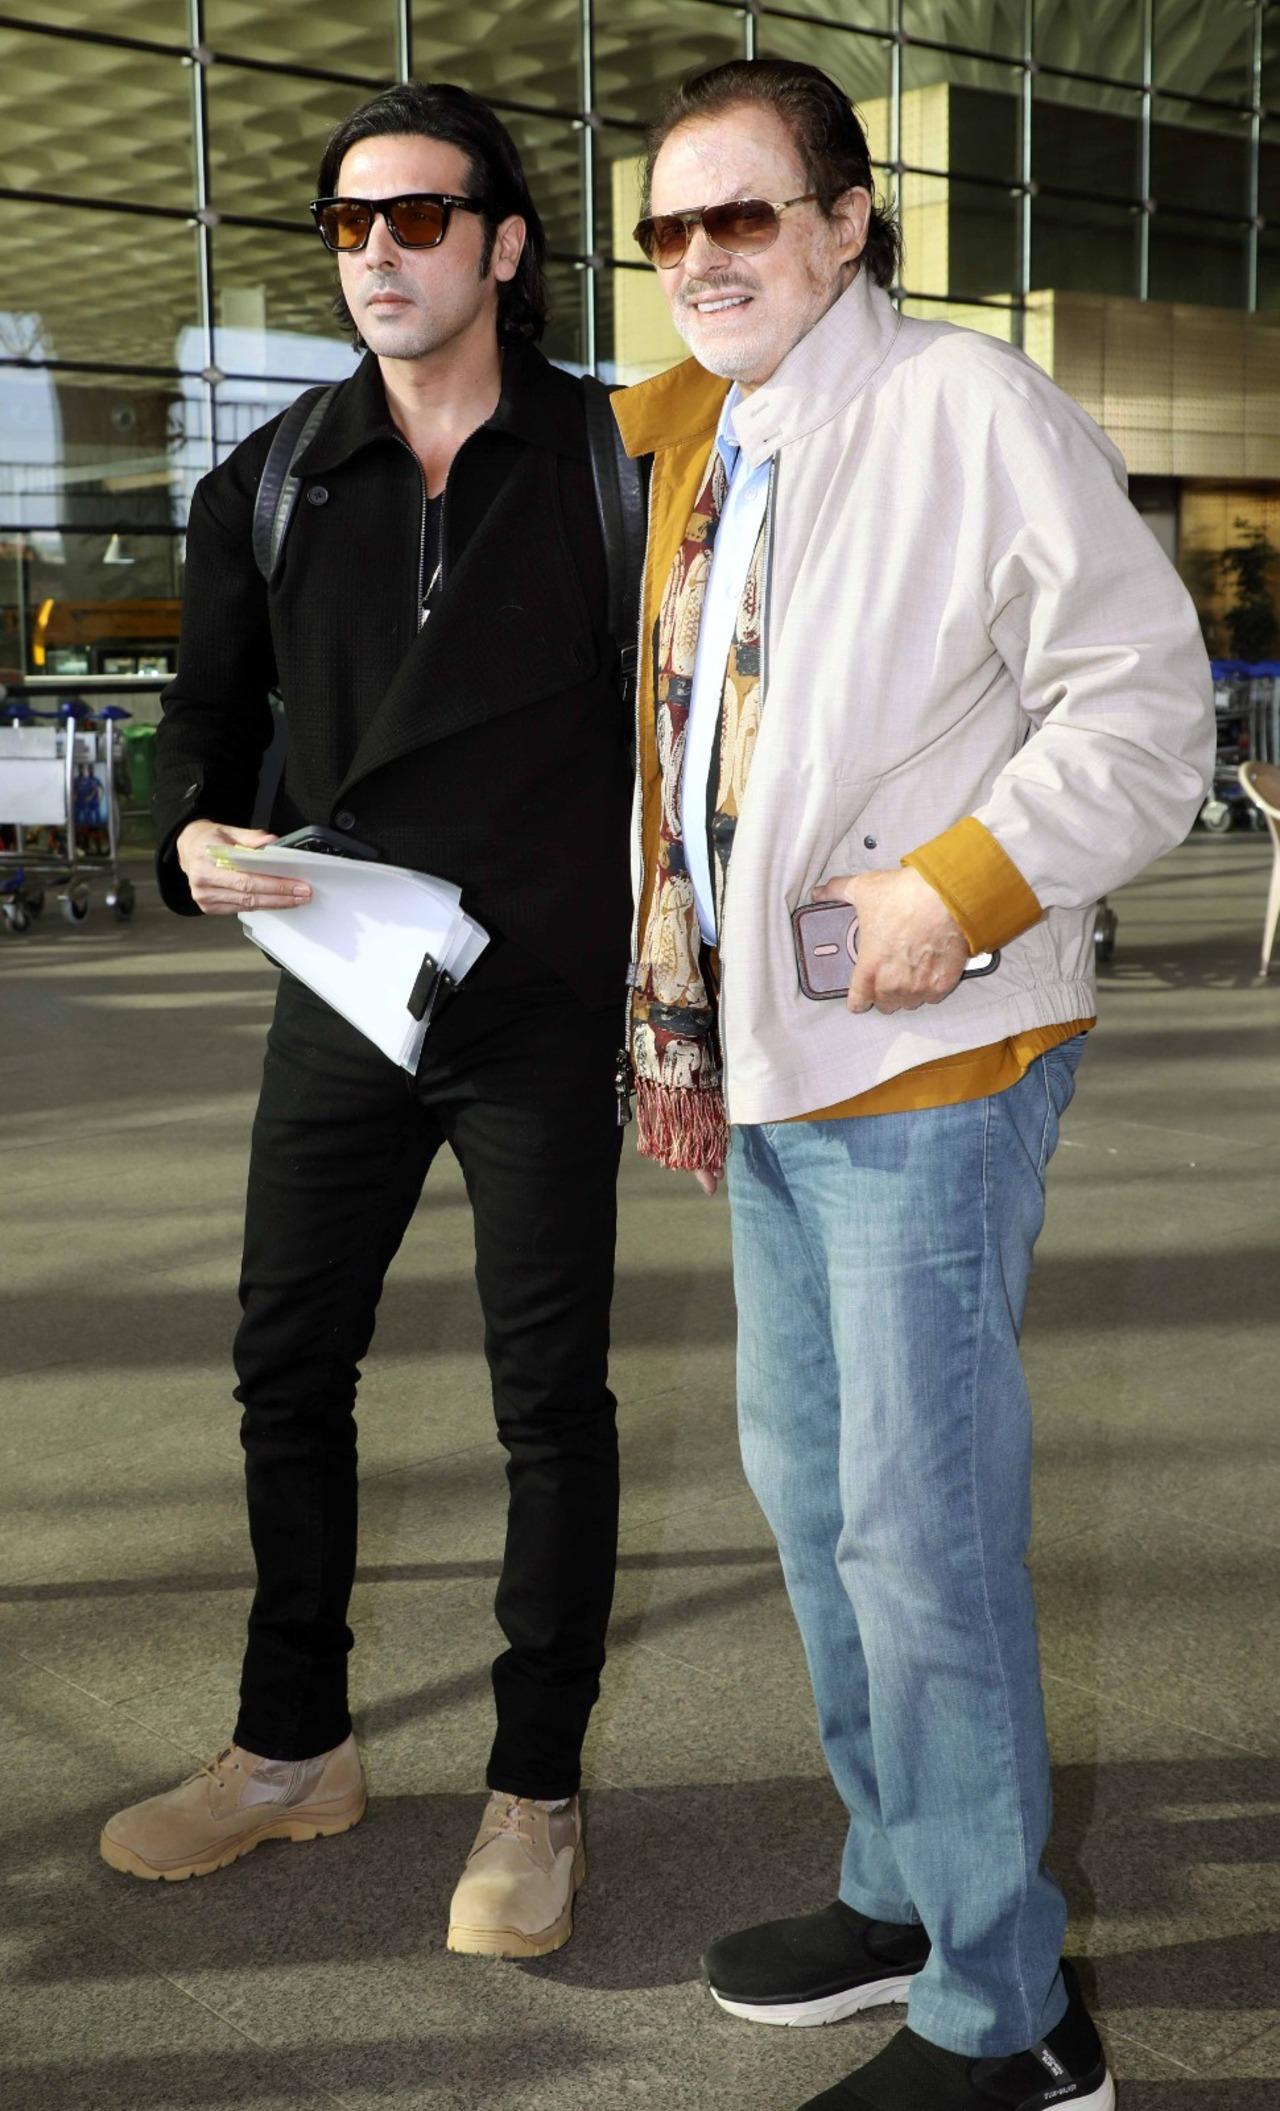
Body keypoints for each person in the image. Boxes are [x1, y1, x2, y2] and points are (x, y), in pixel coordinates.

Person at [612, 57, 1213, 2111]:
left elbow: (1144, 706)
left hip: (930, 1061)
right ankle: (905, 1881)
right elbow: (690, 767)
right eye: (668, 228)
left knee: (915, 1524)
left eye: (743, 216)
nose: (700, 260)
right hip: (777, 1068)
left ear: (846, 221)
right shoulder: (722, 450)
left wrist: (956, 885)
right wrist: (672, 1025)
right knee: (815, 1503)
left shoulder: (966, 410)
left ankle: (1011, 2018)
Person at [100, 80, 633, 1963]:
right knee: (281, 1366)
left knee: (545, 1402)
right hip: (343, 979)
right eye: (347, 226)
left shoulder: (611, 462)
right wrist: (189, 834)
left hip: (545, 993)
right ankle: (289, 1745)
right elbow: (205, 719)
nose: (379, 253)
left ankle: (534, 1785)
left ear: (503, 244)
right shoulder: (271, 477)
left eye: (417, 218)